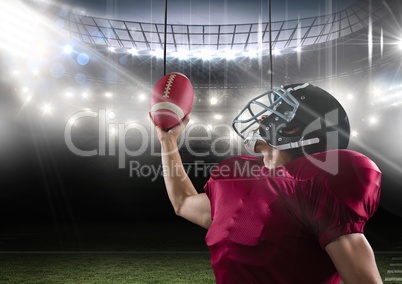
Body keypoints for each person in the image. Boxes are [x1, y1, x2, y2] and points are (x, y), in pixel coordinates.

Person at [152, 83, 383, 284]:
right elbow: (182, 203)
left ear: (295, 129)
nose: (263, 117)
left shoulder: (317, 184)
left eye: (280, 111)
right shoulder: (237, 176)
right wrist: (168, 141)